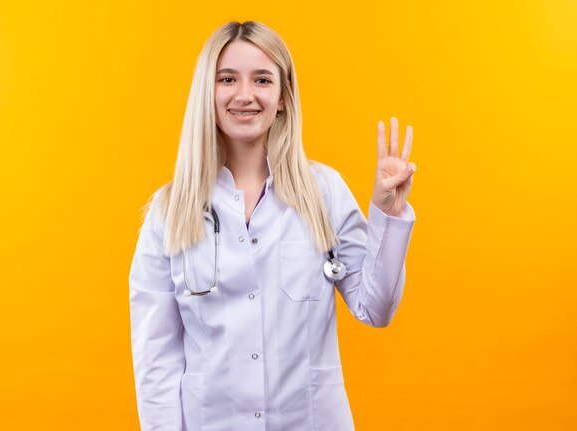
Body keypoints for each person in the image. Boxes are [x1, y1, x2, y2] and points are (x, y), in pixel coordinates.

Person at [129, 20, 416, 431]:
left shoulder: (324, 192)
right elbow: (156, 359)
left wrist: (386, 213)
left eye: (262, 80)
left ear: (282, 97)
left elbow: (375, 307)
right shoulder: (169, 211)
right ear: (207, 93)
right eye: (227, 79)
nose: (244, 95)